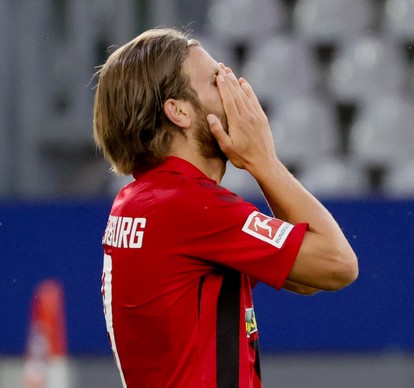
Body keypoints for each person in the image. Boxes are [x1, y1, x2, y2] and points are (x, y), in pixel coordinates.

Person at [93, 27, 358, 388]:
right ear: (179, 111)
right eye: (217, 78)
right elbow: (338, 264)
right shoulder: (186, 206)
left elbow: (306, 277)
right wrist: (264, 162)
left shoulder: (139, 200)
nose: (235, 88)